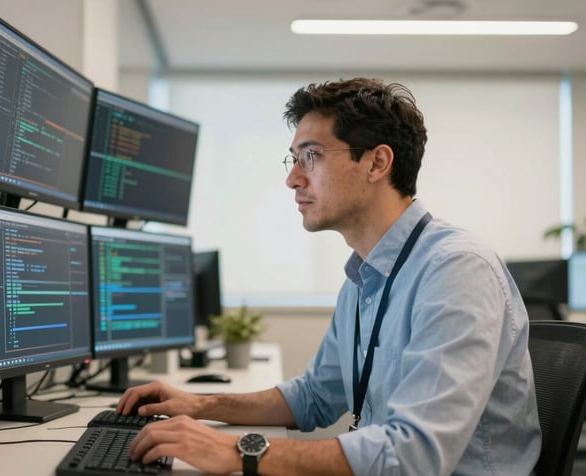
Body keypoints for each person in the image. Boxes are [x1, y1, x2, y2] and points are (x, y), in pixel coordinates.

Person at [117, 77, 542, 475]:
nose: (292, 178)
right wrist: (199, 404)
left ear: (377, 162)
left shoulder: (456, 272)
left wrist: (235, 450)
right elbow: (314, 397)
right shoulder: (364, 277)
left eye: (311, 156)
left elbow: (415, 456)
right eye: (294, 158)